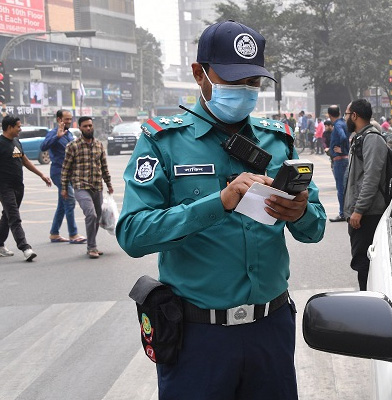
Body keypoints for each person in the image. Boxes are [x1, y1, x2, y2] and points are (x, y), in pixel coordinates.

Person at [116, 20, 326, 399]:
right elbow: (133, 233)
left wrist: (301, 214)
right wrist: (220, 202)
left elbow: (316, 227)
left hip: (270, 329)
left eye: (253, 83)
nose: (244, 92)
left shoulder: (277, 140)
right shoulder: (164, 141)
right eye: (232, 81)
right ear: (199, 74)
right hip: (198, 337)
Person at [343, 99, 388, 290]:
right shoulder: (360, 137)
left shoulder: (372, 139)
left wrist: (359, 210)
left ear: (354, 116)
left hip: (368, 215)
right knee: (361, 263)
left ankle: (369, 304)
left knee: (365, 265)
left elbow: (371, 178)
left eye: (346, 114)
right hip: (361, 213)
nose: (345, 118)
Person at [61, 116, 113, 259]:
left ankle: (92, 244)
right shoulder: (73, 146)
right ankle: (92, 247)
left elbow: (104, 167)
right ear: (80, 128)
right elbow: (66, 169)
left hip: (97, 186)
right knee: (91, 214)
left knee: (97, 217)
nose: (88, 128)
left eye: (90, 125)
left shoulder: (99, 145)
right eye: (85, 126)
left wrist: (109, 184)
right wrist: (64, 187)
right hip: (80, 186)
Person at [0, 115, 52, 261]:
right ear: (10, 127)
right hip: (4, 187)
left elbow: (24, 160)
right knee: (14, 218)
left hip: (18, 186)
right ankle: (25, 248)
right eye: (18, 126)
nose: (20, 129)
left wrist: (41, 174)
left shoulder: (16, 141)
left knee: (7, 216)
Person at [41, 109, 86, 244]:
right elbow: (43, 147)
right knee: (70, 201)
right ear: (59, 119)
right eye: (66, 119)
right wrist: (57, 137)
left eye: (70, 119)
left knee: (62, 204)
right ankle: (73, 234)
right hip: (58, 173)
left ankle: (54, 233)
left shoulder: (69, 134)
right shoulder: (53, 133)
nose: (69, 121)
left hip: (70, 174)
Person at [328, 104, 349, 222]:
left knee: (340, 188)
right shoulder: (344, 123)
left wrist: (343, 149)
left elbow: (343, 137)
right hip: (344, 159)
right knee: (345, 187)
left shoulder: (337, 126)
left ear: (329, 115)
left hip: (340, 160)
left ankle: (342, 213)